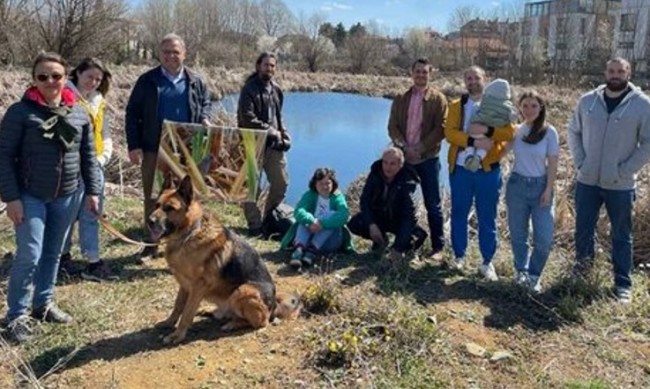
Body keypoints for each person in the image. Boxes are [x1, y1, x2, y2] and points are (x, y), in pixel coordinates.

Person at [0, 52, 101, 343]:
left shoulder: (79, 113)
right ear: (34, 79)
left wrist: (92, 191)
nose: (50, 82)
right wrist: (12, 198)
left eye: (56, 76)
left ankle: (42, 304)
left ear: (65, 78)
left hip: (68, 196)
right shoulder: (20, 112)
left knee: (53, 253)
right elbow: (3, 157)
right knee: (29, 253)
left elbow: (88, 157)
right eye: (42, 76)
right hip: (30, 196)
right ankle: (17, 314)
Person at [568, 57, 650, 304]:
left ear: (628, 73)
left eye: (621, 71)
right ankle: (583, 272)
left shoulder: (642, 105)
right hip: (588, 180)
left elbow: (647, 143)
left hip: (620, 185)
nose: (615, 75)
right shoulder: (587, 101)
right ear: (605, 72)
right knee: (583, 229)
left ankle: (622, 284)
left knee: (621, 235)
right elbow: (573, 130)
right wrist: (581, 162)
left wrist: (626, 170)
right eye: (612, 70)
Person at [125, 33, 212, 257]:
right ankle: (150, 245)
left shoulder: (196, 81)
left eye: (175, 52)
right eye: (166, 52)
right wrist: (134, 145)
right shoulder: (147, 80)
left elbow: (205, 103)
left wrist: (204, 117)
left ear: (184, 54)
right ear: (159, 54)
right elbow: (132, 113)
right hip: (155, 149)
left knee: (186, 200)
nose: (171, 56)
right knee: (154, 197)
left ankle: (185, 243)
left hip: (187, 151)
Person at [444, 66, 515, 281]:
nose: (472, 81)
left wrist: (489, 132)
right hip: (461, 169)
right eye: (468, 78)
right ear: (464, 81)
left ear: (485, 79)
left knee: (487, 216)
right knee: (458, 212)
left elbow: (511, 132)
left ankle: (487, 262)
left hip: (488, 171)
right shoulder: (457, 105)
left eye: (476, 77)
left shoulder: (500, 106)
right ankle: (459, 256)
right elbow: (449, 133)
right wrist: (472, 140)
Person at [59, 57, 116, 281]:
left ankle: (93, 260)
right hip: (71, 168)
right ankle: (62, 257)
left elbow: (104, 132)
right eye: (89, 76)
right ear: (78, 73)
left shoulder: (98, 100)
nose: (93, 82)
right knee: (67, 214)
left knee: (92, 213)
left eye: (98, 79)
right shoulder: (65, 97)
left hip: (95, 166)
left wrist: (103, 157)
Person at [387, 58, 447, 258]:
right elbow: (392, 127)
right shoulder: (400, 98)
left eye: (425, 72)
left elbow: (441, 129)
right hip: (404, 160)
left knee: (433, 204)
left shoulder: (439, 99)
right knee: (402, 202)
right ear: (411, 73)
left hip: (428, 159)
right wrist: (404, 147)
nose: (421, 75)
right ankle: (403, 242)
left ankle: (438, 247)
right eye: (417, 71)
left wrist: (421, 147)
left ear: (430, 74)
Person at [506, 91, 559, 293]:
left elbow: (553, 162)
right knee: (518, 235)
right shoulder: (516, 131)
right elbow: (500, 151)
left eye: (534, 106)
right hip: (517, 186)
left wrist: (548, 189)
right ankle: (521, 271)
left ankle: (535, 275)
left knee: (544, 238)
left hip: (540, 188)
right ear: (519, 108)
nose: (529, 110)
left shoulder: (549, 132)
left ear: (541, 108)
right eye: (525, 106)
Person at [238, 52, 290, 237]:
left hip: (274, 146)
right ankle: (255, 225)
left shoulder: (276, 90)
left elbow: (279, 115)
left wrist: (284, 133)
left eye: (272, 66)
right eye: (266, 65)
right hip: (253, 144)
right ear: (258, 66)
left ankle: (270, 219)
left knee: (281, 183)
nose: (269, 69)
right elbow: (247, 117)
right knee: (252, 186)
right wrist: (269, 130)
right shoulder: (249, 89)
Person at [347, 147, 427, 262]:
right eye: (385, 162)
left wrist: (398, 248)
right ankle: (381, 241)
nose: (387, 167)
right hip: (380, 217)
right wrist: (372, 225)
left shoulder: (408, 181)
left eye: (392, 164)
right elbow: (365, 201)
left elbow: (409, 217)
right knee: (355, 224)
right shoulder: (375, 174)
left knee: (418, 236)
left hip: (398, 220)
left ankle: (403, 249)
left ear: (401, 165)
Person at [280, 168, 353, 269]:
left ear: (333, 183)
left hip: (330, 241)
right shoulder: (310, 195)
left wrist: (322, 223)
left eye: (327, 183)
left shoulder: (337, 196)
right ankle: (298, 251)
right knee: (304, 219)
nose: (324, 186)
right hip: (309, 236)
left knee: (331, 215)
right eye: (320, 183)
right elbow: (298, 211)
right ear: (315, 184)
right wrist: (311, 221)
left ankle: (312, 251)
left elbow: (344, 215)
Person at [463, 78, 517, 172]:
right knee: (485, 146)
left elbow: (508, 134)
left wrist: (481, 127)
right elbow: (512, 125)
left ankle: (469, 156)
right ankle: (478, 158)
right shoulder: (508, 107)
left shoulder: (483, 102)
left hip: (475, 131)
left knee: (470, 143)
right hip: (489, 138)